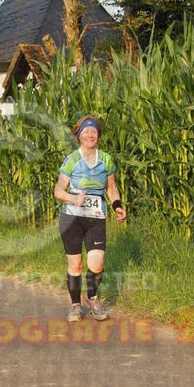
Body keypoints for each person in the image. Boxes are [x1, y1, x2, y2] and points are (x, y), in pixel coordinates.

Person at [54, 115, 126, 322]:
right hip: (71, 219)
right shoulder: (72, 159)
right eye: (86, 131)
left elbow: (111, 187)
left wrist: (117, 206)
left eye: (94, 131)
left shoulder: (106, 159)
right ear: (79, 135)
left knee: (97, 263)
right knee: (75, 265)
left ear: (99, 136)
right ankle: (75, 305)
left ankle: (91, 298)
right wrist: (73, 198)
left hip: (96, 217)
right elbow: (58, 191)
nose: (90, 135)